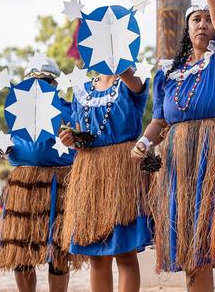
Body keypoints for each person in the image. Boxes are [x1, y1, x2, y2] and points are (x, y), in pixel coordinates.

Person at [131, 0, 215, 292]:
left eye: (207, 18)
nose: (203, 24)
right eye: (195, 19)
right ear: (187, 29)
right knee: (193, 246)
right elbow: (159, 121)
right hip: (180, 164)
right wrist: (144, 142)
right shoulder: (168, 74)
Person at [60, 55, 152, 292]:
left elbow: (133, 83)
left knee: (125, 253)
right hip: (89, 173)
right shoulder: (82, 90)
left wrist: (116, 53)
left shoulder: (131, 80)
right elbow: (82, 133)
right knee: (97, 255)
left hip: (123, 171)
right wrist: (72, 140)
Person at [0, 59, 79, 292]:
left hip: (60, 186)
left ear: (55, 83)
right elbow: (13, 144)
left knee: (58, 254)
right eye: (32, 81)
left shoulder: (70, 110)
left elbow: (82, 142)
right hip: (23, 187)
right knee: (20, 252)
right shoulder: (17, 112)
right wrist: (0, 147)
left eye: (44, 81)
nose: (38, 86)